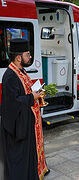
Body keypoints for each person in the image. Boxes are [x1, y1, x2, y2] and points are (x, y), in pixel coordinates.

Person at [0, 39, 49, 180]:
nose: (30, 57)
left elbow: (24, 92)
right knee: (20, 159)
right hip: (18, 128)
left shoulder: (21, 71)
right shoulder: (10, 76)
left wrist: (36, 92)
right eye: (28, 54)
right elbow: (11, 104)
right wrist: (31, 97)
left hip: (27, 123)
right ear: (18, 58)